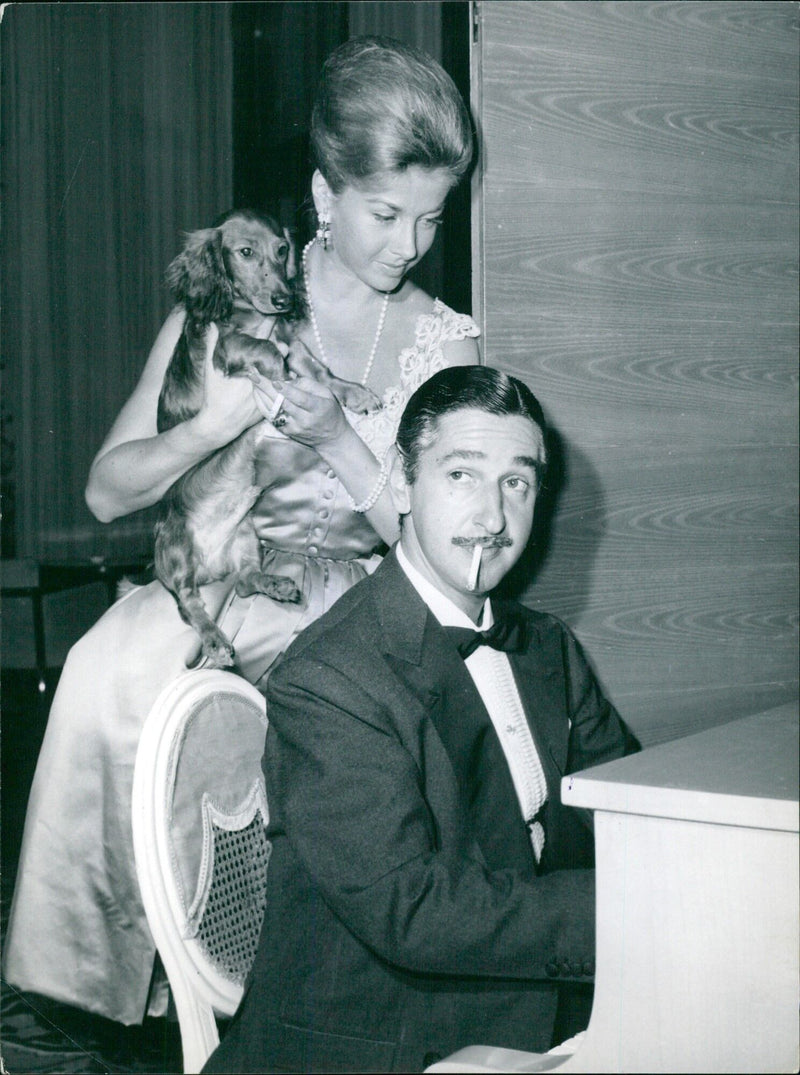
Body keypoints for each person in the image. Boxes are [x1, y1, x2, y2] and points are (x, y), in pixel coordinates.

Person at [3, 36, 480, 1027]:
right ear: (323, 193)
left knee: (327, 717)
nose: (408, 243)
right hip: (219, 576)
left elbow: (449, 550)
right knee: (109, 664)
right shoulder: (231, 295)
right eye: (385, 213)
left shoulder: (447, 341)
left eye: (430, 216)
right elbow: (104, 489)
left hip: (355, 599)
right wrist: (213, 426)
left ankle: (281, 991)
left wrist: (342, 441)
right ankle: (85, 999)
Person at [202, 365, 640, 1074]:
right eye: (462, 475)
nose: (493, 517)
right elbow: (414, 908)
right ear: (403, 484)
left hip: (537, 1004)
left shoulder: (547, 646)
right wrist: (635, 915)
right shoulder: (328, 676)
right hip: (384, 1038)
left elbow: (626, 806)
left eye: (517, 483)